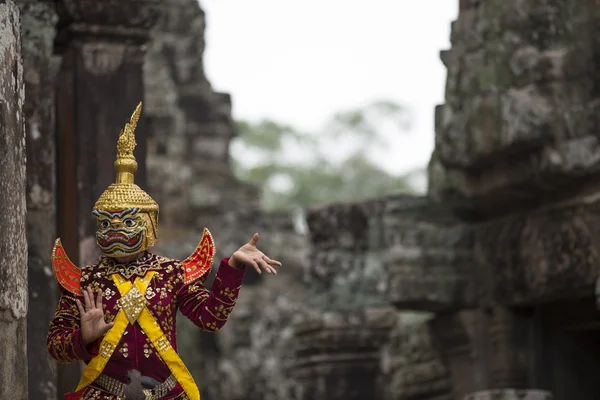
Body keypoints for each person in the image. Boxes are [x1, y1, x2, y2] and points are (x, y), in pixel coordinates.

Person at [47, 103, 281, 400]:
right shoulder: (86, 282)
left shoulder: (171, 274)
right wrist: (84, 338)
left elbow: (211, 318)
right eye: (105, 222)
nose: (114, 230)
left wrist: (233, 266)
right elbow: (56, 345)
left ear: (149, 225)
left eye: (128, 221)